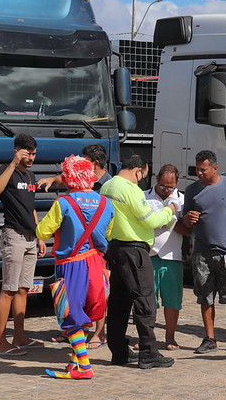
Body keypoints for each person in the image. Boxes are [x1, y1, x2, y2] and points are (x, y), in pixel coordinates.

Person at [36, 155, 115, 379]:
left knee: (69, 315)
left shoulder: (63, 203)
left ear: (69, 178)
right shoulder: (105, 202)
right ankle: (74, 363)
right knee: (86, 313)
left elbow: (42, 232)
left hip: (71, 265)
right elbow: (108, 234)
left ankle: (85, 367)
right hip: (98, 264)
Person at [100, 154, 177, 369]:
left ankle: (119, 352)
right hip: (134, 250)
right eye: (143, 174)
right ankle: (149, 352)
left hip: (115, 248)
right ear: (138, 171)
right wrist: (169, 211)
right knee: (144, 300)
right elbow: (151, 220)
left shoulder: (107, 186)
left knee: (118, 303)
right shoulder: (130, 189)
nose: (142, 179)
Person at [182, 150, 226, 354]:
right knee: (205, 296)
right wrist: (187, 219)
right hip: (202, 252)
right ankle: (210, 338)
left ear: (214, 168)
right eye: (197, 170)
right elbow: (185, 221)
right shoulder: (192, 190)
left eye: (203, 170)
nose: (199, 173)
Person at [0, 133, 46, 356]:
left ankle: (19, 336)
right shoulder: (7, 171)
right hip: (13, 236)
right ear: (17, 151)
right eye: (27, 154)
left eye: (33, 154)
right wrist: (13, 164)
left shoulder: (31, 176)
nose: (31, 158)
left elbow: (31, 208)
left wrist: (40, 235)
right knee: (9, 290)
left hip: (31, 238)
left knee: (24, 289)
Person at [144, 164, 191, 350]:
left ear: (177, 183)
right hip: (148, 254)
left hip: (173, 255)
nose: (166, 190)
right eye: (163, 185)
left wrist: (170, 220)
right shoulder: (143, 196)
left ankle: (170, 337)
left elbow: (188, 230)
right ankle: (148, 337)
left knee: (172, 300)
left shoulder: (183, 200)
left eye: (170, 187)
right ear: (156, 179)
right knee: (148, 301)